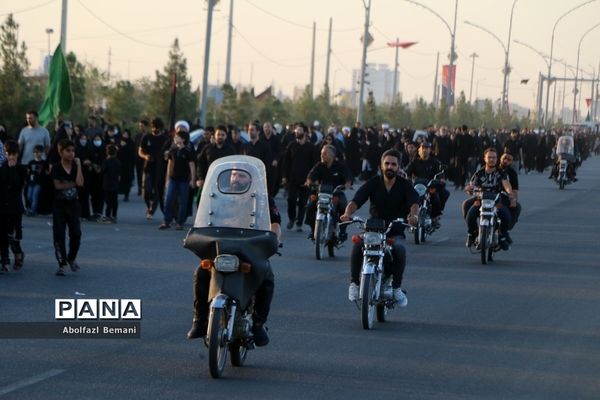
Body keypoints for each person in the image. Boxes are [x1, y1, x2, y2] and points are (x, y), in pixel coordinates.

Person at [187, 169, 282, 347]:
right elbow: (204, 220)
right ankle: (199, 320)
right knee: (201, 272)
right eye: (233, 175)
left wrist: (275, 239)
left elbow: (275, 223)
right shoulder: (217, 195)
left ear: (251, 179)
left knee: (266, 275)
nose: (236, 179)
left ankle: (258, 323)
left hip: (250, 248)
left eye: (241, 175)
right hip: (221, 247)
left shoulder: (262, 199)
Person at [340, 149, 419, 307]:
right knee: (357, 246)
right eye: (387, 163)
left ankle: (396, 288)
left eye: (393, 164)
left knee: (399, 250)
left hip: (394, 231)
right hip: (373, 230)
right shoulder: (373, 183)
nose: (390, 166)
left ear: (398, 167)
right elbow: (357, 200)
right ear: (381, 166)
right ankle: (354, 284)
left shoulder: (405, 185)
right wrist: (347, 213)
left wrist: (413, 216)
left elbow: (414, 203)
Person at [464, 147, 515, 250]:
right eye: (489, 157)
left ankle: (502, 236)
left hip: (496, 200)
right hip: (481, 200)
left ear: (497, 159)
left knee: (506, 215)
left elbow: (507, 185)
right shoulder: (479, 173)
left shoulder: (501, 173)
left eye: (494, 157)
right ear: (485, 158)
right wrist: (469, 189)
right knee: (471, 214)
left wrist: (510, 194)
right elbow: (471, 185)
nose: (491, 159)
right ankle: (472, 234)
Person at [304, 144, 352, 241]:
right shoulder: (319, 165)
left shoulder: (340, 166)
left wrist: (347, 183)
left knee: (344, 207)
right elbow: (312, 174)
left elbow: (348, 176)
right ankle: (314, 230)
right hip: (321, 193)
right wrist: (309, 181)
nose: (322, 156)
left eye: (325, 154)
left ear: (332, 156)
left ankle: (342, 231)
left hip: (336, 193)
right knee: (310, 207)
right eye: (321, 153)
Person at [50, 139, 84, 275]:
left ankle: (71, 258)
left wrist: (79, 165)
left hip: (74, 205)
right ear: (61, 152)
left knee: (76, 234)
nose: (71, 154)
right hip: (59, 205)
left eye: (73, 151)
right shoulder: (56, 168)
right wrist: (72, 183)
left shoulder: (76, 167)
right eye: (68, 151)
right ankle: (62, 263)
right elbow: (58, 185)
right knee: (59, 235)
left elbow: (80, 183)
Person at [281, 122, 318, 232]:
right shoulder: (291, 145)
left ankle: (299, 223)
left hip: (306, 180)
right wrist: (284, 176)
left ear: (305, 132)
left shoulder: (311, 147)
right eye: (296, 130)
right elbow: (286, 162)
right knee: (291, 199)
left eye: (300, 130)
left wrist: (313, 179)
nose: (297, 132)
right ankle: (292, 218)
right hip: (292, 178)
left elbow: (315, 164)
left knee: (303, 202)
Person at [404, 141, 449, 227]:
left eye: (427, 148)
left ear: (430, 150)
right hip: (417, 186)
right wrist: (406, 177)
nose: (424, 150)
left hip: (430, 186)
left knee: (438, 197)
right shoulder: (414, 162)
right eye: (423, 148)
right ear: (419, 150)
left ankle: (435, 217)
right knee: (406, 197)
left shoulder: (435, 162)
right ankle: (407, 215)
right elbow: (407, 172)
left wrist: (441, 180)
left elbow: (441, 175)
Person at [159, 123, 195, 230]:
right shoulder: (173, 151)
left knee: (183, 202)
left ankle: (180, 223)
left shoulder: (188, 151)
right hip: (173, 179)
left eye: (177, 137)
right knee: (168, 199)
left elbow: (192, 166)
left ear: (183, 139)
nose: (175, 138)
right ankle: (166, 221)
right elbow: (169, 164)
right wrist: (167, 179)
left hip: (184, 180)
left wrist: (193, 179)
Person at [0, 140, 27, 272]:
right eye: (8, 154)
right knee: (3, 235)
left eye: (13, 154)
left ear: (17, 154)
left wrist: (13, 169)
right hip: (3, 207)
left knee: (15, 236)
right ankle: (4, 260)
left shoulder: (22, 169)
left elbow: (18, 185)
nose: (10, 157)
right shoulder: (2, 168)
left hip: (16, 207)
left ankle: (18, 254)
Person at [138, 117, 169, 219]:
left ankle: (151, 210)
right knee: (146, 190)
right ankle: (148, 205)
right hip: (148, 167)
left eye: (157, 128)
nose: (155, 129)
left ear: (160, 128)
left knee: (156, 190)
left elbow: (168, 153)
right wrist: (145, 156)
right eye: (153, 127)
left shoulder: (165, 139)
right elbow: (140, 151)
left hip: (160, 168)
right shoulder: (146, 137)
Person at [99, 144, 121, 223]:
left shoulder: (106, 161)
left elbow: (103, 171)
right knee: (114, 201)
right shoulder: (117, 161)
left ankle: (108, 215)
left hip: (107, 183)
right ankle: (114, 215)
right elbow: (119, 172)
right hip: (115, 183)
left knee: (108, 201)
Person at [26, 144, 48, 216]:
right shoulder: (31, 162)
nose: (36, 154)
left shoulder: (44, 163)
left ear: (42, 153)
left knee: (35, 195)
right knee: (29, 196)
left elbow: (47, 172)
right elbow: (28, 172)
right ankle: (30, 208)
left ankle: (33, 210)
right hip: (31, 182)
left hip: (39, 182)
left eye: (38, 152)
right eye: (35, 152)